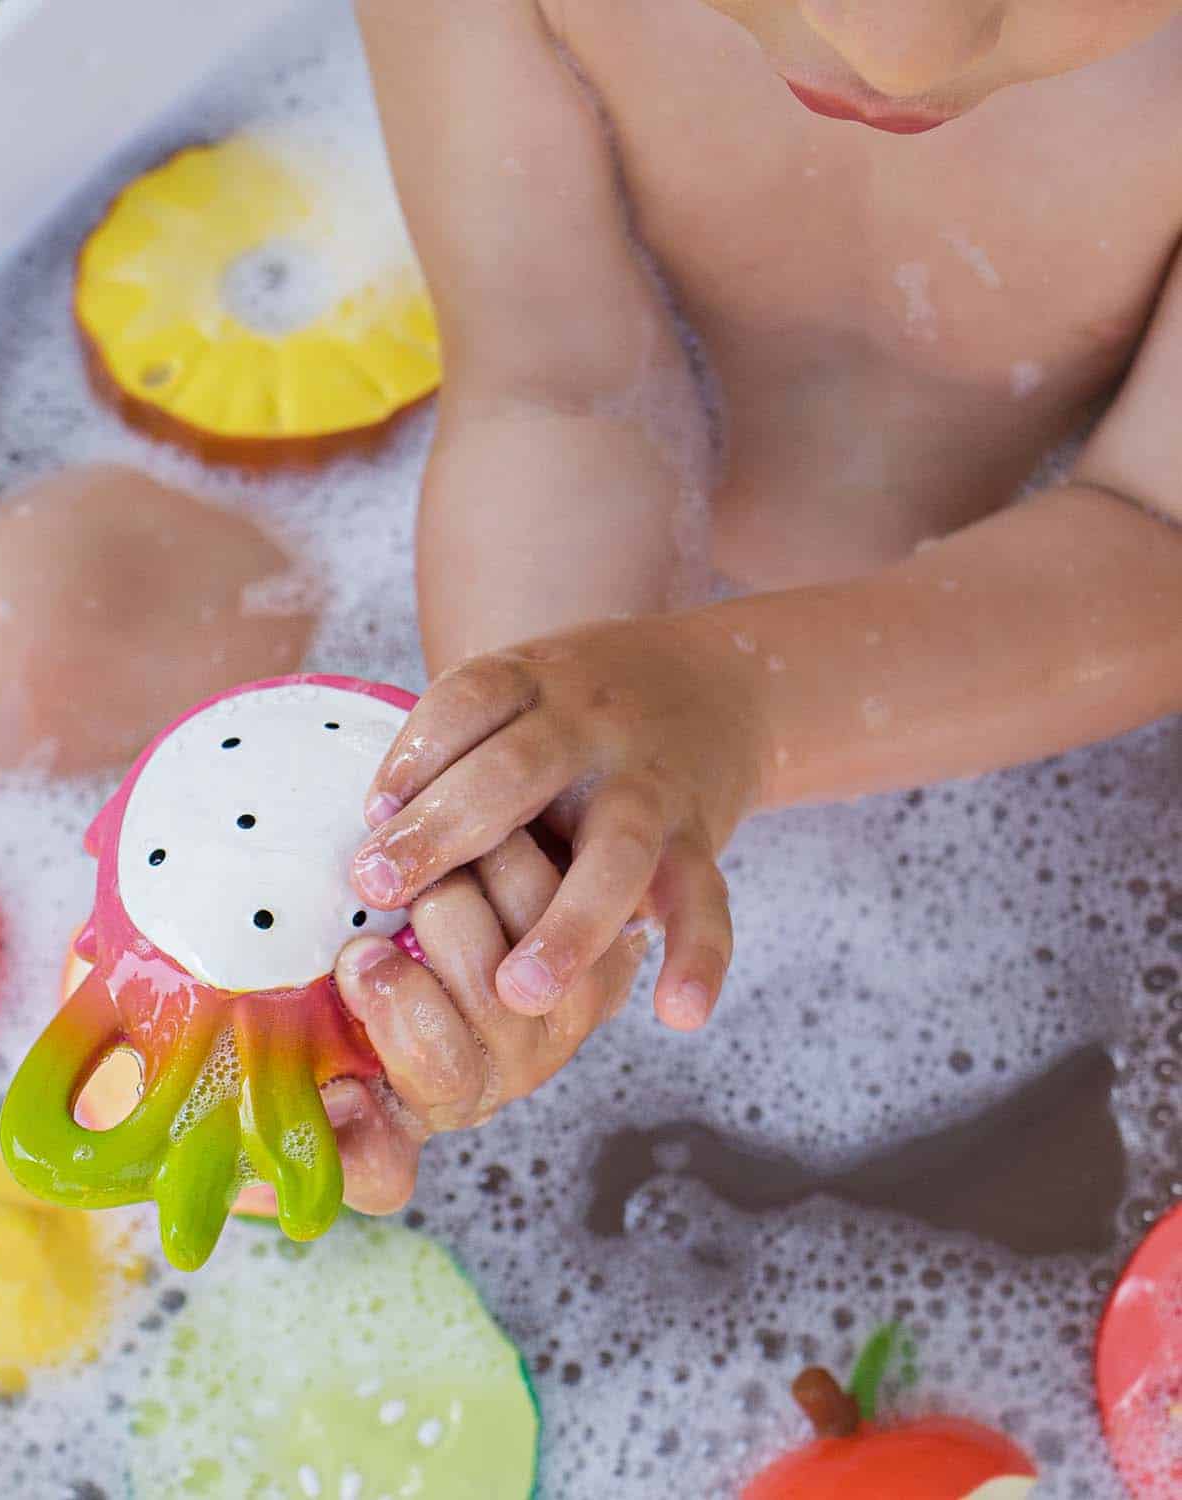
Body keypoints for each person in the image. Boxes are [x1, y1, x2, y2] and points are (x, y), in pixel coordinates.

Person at [312, 0, 1182, 1213]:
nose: (896, 46)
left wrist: (739, 701)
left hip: (1061, 686)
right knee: (8, 648)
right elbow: (563, 384)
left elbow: (1159, 530)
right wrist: (529, 832)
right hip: (679, 643)